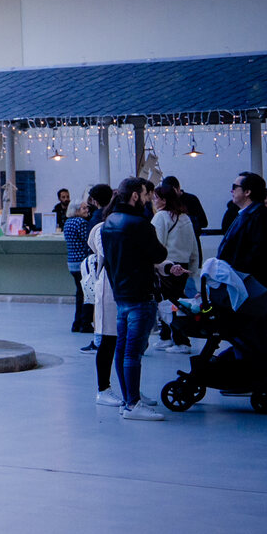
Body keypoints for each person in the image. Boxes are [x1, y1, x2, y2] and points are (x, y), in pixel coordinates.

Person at [97, 178, 167, 421]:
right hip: (140, 294)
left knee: (123, 348)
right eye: (148, 194)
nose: (150, 199)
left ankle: (129, 398)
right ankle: (132, 404)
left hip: (122, 295)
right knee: (132, 352)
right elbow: (160, 253)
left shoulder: (108, 223)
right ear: (136, 196)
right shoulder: (140, 224)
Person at [218, 172, 267, 372]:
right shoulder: (249, 215)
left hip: (252, 289)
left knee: (253, 333)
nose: (231, 190)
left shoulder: (259, 217)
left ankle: (257, 376)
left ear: (248, 192)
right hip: (247, 286)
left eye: (234, 186)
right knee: (249, 334)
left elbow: (255, 255)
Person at [151, 189, 199, 348]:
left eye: (156, 198)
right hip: (183, 266)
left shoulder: (160, 217)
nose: (154, 201)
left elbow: (156, 245)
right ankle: (171, 337)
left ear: (164, 200)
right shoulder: (185, 218)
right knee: (178, 302)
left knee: (167, 304)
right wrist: (193, 267)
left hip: (167, 266)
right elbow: (193, 245)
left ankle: (178, 340)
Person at [63, 200, 95, 333]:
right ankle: (85, 323)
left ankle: (77, 323)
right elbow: (88, 240)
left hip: (72, 262)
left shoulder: (67, 223)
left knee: (80, 293)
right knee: (87, 294)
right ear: (76, 210)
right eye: (83, 208)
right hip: (82, 262)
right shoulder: (81, 223)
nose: (86, 209)